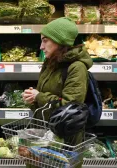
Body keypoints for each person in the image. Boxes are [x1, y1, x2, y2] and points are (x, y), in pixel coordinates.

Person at [22, 17, 93, 168]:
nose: (41, 46)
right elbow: (43, 97)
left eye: (45, 40)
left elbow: (71, 107)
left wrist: (39, 96)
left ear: (60, 41)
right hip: (43, 133)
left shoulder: (77, 68)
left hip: (64, 140)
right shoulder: (51, 62)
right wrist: (32, 100)